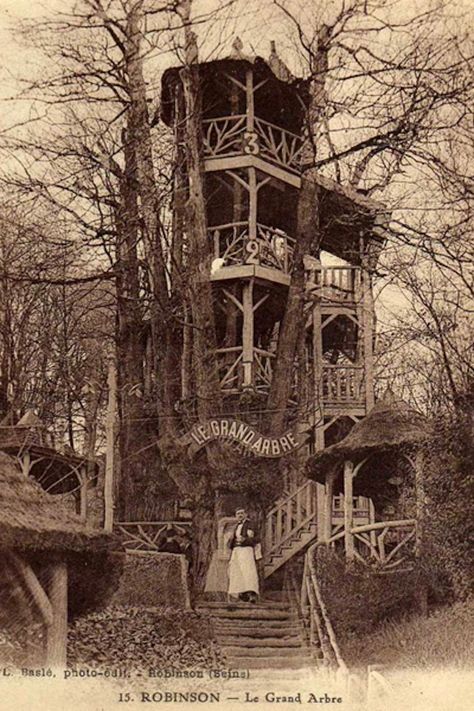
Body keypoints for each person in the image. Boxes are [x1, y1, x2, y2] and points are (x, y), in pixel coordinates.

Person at [228, 508, 260, 604]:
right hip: (236, 551)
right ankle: (240, 594)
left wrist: (245, 540)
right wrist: (231, 541)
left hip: (246, 550)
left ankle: (251, 594)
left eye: (242, 513)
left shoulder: (251, 525)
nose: (240, 515)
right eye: (238, 514)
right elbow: (232, 541)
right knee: (236, 571)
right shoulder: (235, 526)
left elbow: (257, 539)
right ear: (236, 516)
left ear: (246, 514)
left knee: (248, 571)